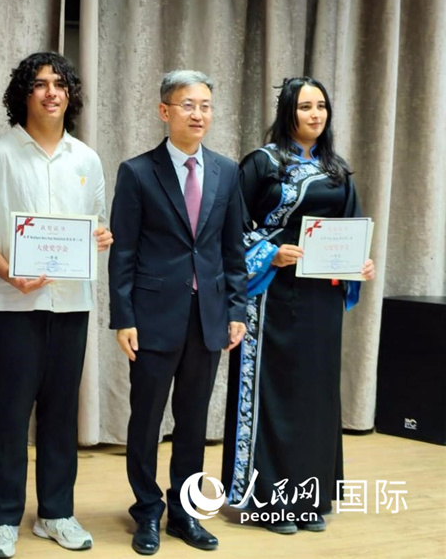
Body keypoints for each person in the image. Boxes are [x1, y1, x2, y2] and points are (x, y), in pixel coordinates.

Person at [221, 76, 376, 534]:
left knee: (314, 395)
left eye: (321, 106)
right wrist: (270, 252)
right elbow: (230, 228)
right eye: (305, 106)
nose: (315, 114)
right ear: (288, 111)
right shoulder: (262, 163)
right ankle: (268, 502)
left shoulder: (337, 170)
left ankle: (308, 500)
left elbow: (350, 227)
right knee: (274, 395)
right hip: (270, 296)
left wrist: (359, 263)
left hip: (320, 298)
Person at [0, 51, 112, 558]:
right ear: (24, 93)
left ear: (70, 94)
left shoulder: (87, 159)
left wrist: (100, 237)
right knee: (10, 414)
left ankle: (56, 512)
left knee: (60, 412)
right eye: (40, 84)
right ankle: (3, 518)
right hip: (11, 305)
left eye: (60, 84)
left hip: (71, 303)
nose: (51, 92)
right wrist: (11, 273)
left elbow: (96, 222)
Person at [108, 70, 247, 555]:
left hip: (208, 316)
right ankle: (147, 510)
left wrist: (236, 308)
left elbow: (233, 249)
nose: (198, 114)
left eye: (205, 105)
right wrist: (123, 317)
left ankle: (184, 512)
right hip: (151, 317)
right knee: (146, 419)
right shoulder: (137, 172)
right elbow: (123, 252)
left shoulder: (227, 171)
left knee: (192, 421)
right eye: (188, 105)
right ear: (164, 111)